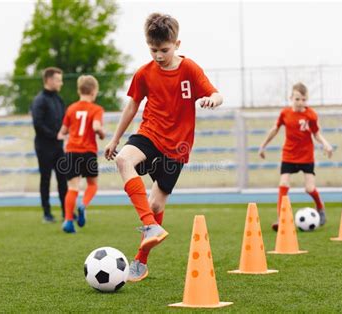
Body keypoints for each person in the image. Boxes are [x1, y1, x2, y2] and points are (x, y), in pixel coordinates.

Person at [104, 13, 223, 282]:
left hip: (177, 147)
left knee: (156, 203)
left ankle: (141, 259)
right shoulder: (144, 73)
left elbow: (214, 92)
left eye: (164, 50)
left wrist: (213, 99)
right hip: (150, 133)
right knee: (123, 160)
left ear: (177, 44)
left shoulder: (190, 69)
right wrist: (114, 139)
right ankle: (149, 225)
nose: (158, 55)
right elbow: (132, 106)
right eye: (153, 49)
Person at [258, 82, 333, 231]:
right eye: (297, 99)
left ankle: (320, 207)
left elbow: (316, 133)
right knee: (283, 184)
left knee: (309, 188)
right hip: (289, 155)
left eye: (303, 99)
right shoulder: (285, 113)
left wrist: (326, 144)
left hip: (306, 156)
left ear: (307, 100)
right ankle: (281, 218)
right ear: (291, 97)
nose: (300, 102)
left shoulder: (311, 115)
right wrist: (263, 145)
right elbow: (275, 129)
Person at [57, 75, 106, 233]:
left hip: (71, 151)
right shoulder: (96, 109)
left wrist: (64, 136)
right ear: (93, 91)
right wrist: (101, 133)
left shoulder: (71, 108)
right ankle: (83, 204)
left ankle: (68, 221)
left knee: (72, 187)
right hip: (88, 152)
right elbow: (96, 126)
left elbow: (62, 132)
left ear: (79, 90)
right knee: (92, 184)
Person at [31, 67, 67, 223]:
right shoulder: (39, 100)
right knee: (45, 179)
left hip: (58, 146)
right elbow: (38, 124)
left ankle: (67, 213)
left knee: (62, 179)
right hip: (44, 147)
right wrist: (55, 135)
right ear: (49, 80)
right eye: (58, 80)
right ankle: (47, 213)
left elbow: (65, 121)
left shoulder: (58, 99)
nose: (61, 83)